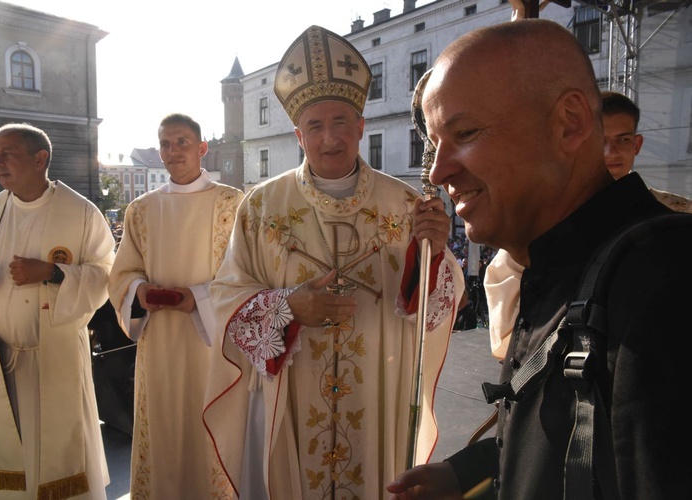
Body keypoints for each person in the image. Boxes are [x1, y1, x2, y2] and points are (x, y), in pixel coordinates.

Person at [386, 19, 691, 499]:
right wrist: (465, 474)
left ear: (568, 123)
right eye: (434, 144)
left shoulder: (666, 286)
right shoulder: (555, 267)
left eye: (464, 132)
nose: (440, 170)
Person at [204, 25, 465, 499]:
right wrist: (288, 308)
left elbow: (434, 305)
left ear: (361, 127)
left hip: (377, 392)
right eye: (316, 126)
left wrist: (433, 253)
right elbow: (225, 299)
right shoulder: (261, 208)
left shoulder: (406, 205)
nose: (330, 138)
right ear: (299, 135)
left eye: (341, 122)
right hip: (295, 394)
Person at [0, 122, 115, 499]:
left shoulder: (81, 212)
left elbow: (106, 274)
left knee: (60, 456)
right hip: (0, 358)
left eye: (6, 153)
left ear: (40, 159)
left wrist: (53, 272)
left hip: (54, 359)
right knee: (10, 458)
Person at [485, 89, 692, 360]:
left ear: (637, 144)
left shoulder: (676, 214)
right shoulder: (549, 216)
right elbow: (507, 305)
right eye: (602, 140)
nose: (611, 152)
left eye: (623, 139)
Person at [108, 113, 244, 498]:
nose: (173, 151)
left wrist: (198, 298)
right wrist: (138, 291)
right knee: (165, 430)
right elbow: (120, 275)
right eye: (165, 144)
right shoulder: (141, 210)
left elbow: (248, 277)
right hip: (161, 345)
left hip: (213, 347)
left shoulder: (233, 205)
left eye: (182, 142)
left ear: (202, 148)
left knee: (211, 432)